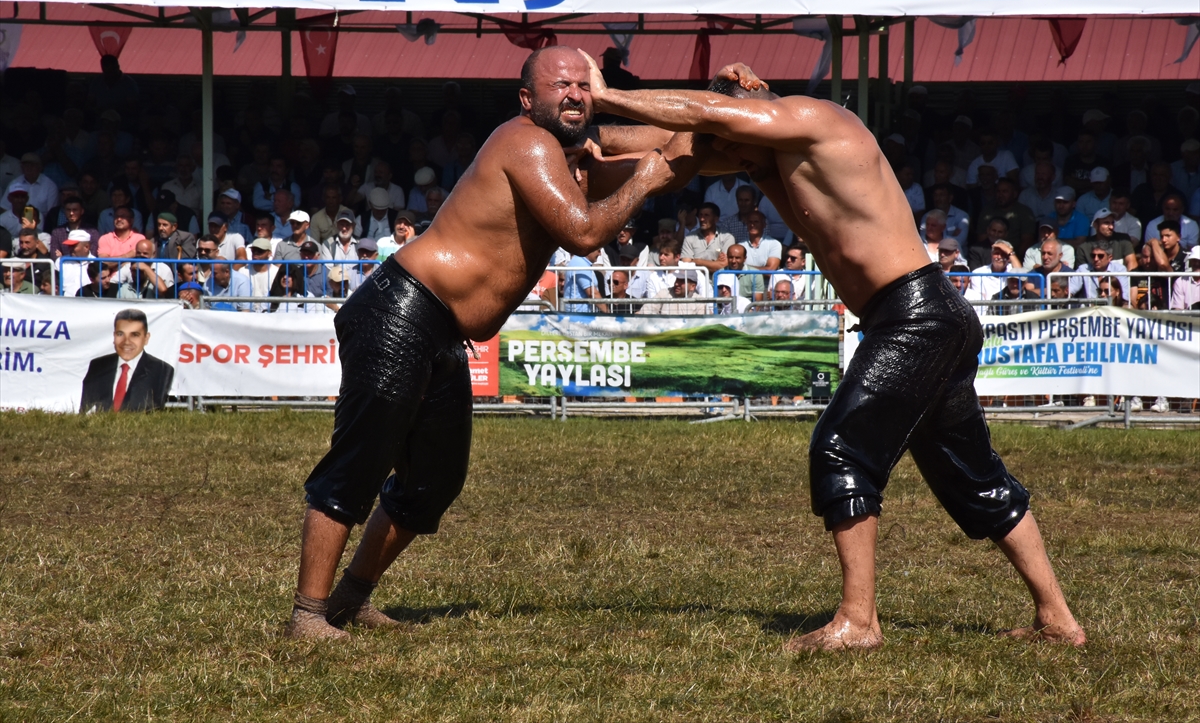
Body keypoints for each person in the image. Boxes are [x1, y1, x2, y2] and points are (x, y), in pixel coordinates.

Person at [584, 54, 1083, 651]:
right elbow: (674, 140)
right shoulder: (771, 151)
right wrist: (585, 129)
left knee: (841, 447)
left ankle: (859, 622)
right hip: (921, 318)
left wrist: (606, 94)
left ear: (753, 92)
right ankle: (1058, 620)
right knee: (972, 476)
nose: (736, 157)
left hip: (916, 316)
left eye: (734, 136)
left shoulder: (814, 119)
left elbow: (702, 112)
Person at [287, 45, 701, 640]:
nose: (575, 94)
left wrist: (720, 106)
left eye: (584, 85)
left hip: (441, 328)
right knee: (359, 464)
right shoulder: (524, 142)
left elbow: (670, 149)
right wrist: (644, 179)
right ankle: (307, 615)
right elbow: (586, 232)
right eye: (560, 85)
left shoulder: (575, 156)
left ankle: (351, 599)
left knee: (432, 481)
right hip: (400, 310)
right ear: (528, 100)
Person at [80, 309, 174, 413]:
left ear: (146, 338)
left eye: (134, 335)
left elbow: (151, 412)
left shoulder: (161, 370)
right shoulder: (97, 366)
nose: (126, 342)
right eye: (120, 334)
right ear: (114, 336)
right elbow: (85, 410)